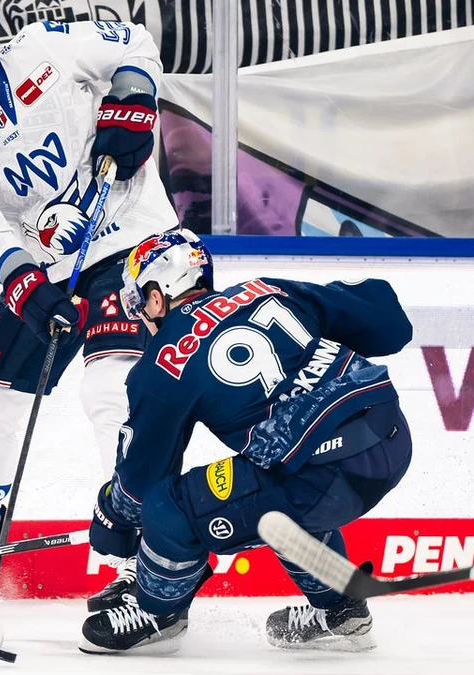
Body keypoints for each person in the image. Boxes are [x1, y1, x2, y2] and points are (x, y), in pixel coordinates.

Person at [0, 0, 178, 612]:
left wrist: (132, 96)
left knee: (113, 388)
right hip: (50, 266)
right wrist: (24, 276)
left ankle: (139, 571)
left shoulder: (42, 48)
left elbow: (131, 40)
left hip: (134, 236)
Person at [79, 229, 414, 655]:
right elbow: (389, 323)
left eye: (139, 302)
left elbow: (141, 484)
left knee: (172, 505)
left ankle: (158, 614)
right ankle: (343, 614)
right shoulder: (264, 290)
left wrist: (111, 519)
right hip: (391, 436)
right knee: (272, 492)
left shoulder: (162, 363)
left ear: (158, 295)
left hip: (323, 476)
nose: (142, 316)